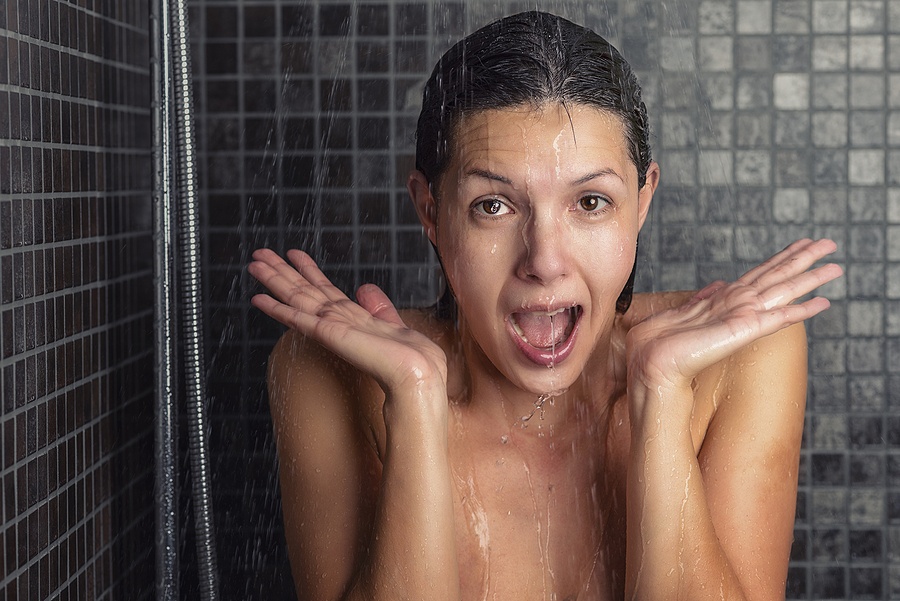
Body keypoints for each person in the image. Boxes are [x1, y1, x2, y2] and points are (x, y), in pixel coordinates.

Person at [248, 11, 842, 601]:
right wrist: (413, 401)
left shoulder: (738, 357)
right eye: (494, 205)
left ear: (642, 202)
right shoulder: (331, 372)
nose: (545, 260)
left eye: (590, 201)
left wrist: (660, 395)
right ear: (431, 211)